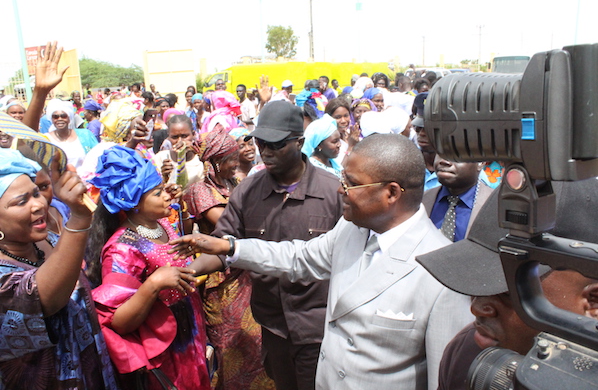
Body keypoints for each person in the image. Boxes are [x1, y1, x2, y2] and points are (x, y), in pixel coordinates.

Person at [171, 133, 472, 390]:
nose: (341, 189)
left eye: (351, 183)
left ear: (391, 192)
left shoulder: (441, 274)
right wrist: (229, 246)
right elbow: (298, 257)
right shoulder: (352, 229)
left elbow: (444, 380)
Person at [184, 100, 344, 390]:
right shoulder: (248, 191)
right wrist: (187, 272)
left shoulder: (332, 191)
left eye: (277, 144)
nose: (266, 151)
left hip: (320, 330)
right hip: (273, 328)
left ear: (300, 142)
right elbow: (224, 248)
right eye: (261, 143)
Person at [416, 179, 598, 390]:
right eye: (477, 283)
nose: (476, 308)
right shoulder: (466, 351)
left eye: (507, 291)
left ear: (594, 303)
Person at [87, 146, 211, 390]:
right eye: (157, 193)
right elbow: (118, 322)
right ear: (134, 203)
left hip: (189, 334)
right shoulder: (122, 249)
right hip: (163, 350)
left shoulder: (162, 224)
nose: (166, 195)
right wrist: (153, 284)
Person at [0, 148, 118, 389]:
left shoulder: (51, 241)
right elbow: (44, 297)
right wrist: (79, 219)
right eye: (22, 201)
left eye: (36, 193)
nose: (39, 205)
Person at [183, 128, 274, 390]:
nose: (235, 163)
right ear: (214, 162)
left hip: (244, 270)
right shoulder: (201, 191)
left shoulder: (233, 184)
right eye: (229, 159)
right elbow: (229, 226)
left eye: (235, 157)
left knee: (256, 342)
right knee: (232, 343)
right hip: (222, 278)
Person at [423, 156, 493, 242]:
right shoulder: (421, 201)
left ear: (480, 162)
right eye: (440, 152)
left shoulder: (495, 205)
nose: (444, 161)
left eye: (456, 154)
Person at [153, 114, 205, 189]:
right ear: (168, 137)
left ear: (193, 135)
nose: (180, 141)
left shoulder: (200, 162)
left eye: (184, 136)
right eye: (174, 137)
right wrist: (164, 178)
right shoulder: (160, 158)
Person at [45, 99, 98, 170]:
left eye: (63, 116)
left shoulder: (85, 134)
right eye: (55, 116)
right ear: (52, 119)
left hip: (85, 179)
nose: (59, 119)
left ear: (69, 118)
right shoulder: (46, 139)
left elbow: (97, 156)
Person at [301, 114, 342, 178]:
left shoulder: (333, 162)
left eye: (339, 140)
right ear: (319, 145)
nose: (339, 144)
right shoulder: (313, 168)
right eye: (334, 142)